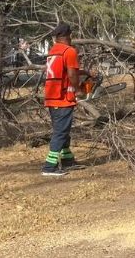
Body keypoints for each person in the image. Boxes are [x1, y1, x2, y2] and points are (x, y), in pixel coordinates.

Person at [41, 23, 84, 176]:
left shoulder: (53, 51)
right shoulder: (69, 51)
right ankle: (49, 167)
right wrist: (79, 90)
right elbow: (72, 75)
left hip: (52, 96)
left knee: (63, 130)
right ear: (68, 35)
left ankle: (67, 161)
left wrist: (86, 73)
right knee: (60, 132)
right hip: (63, 98)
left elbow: (66, 71)